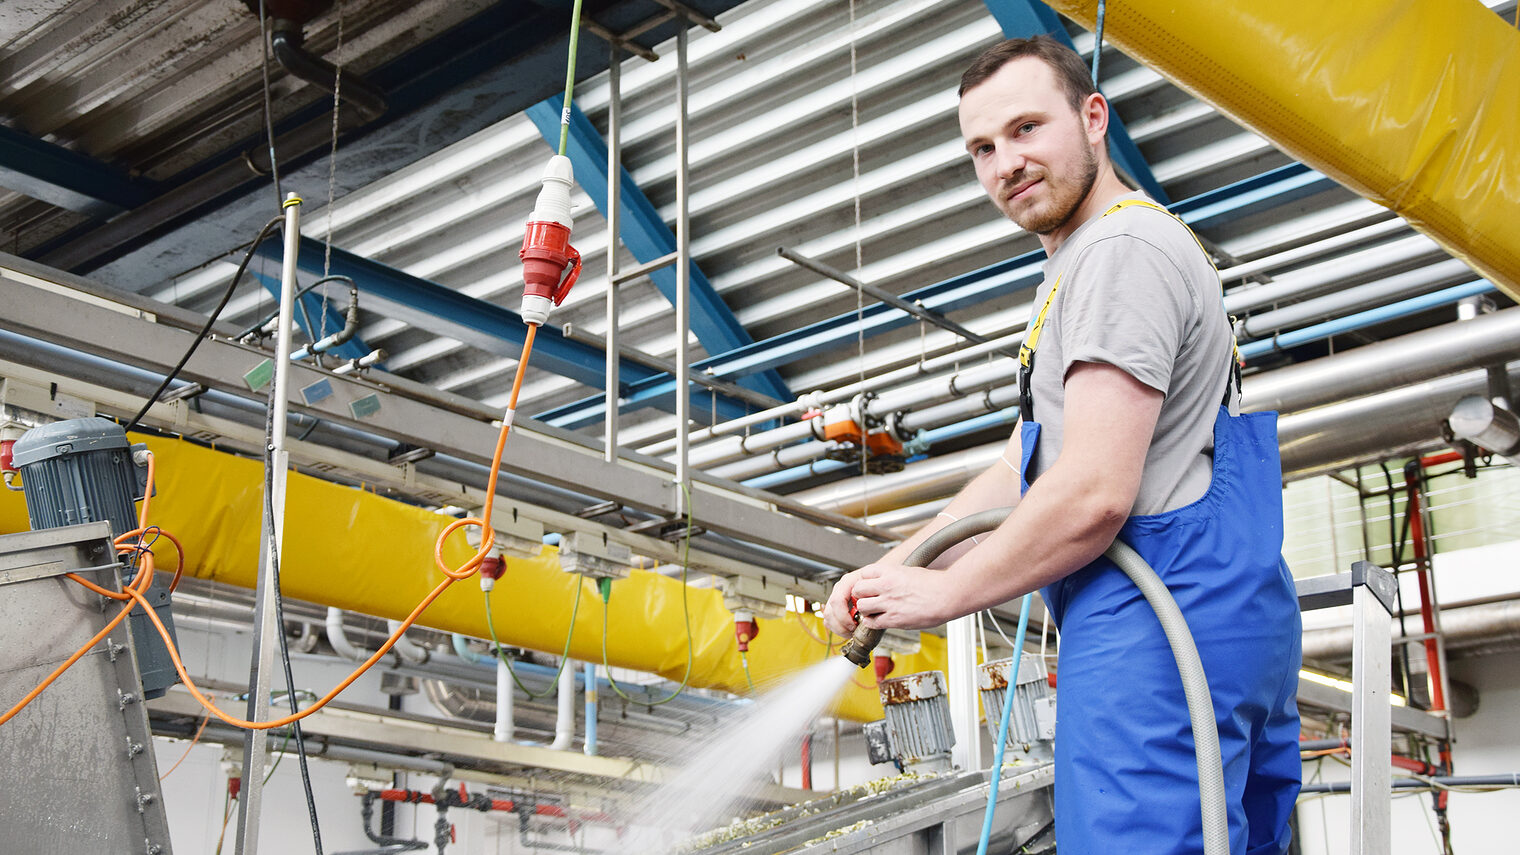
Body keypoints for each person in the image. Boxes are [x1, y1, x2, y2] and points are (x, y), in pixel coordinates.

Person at [822, 35, 1301, 855]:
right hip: (1214, 617)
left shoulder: (1119, 252)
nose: (1005, 162)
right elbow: (1024, 465)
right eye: (983, 147)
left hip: (1158, 631)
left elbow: (1091, 493)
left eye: (1026, 129)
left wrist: (946, 595)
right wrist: (895, 568)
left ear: (1092, 117)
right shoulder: (1082, 266)